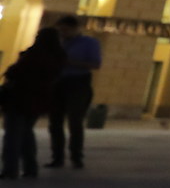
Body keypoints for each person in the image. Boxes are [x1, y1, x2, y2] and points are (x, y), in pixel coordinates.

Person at [1, 28, 63, 179]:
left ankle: (10, 169)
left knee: (13, 135)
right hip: (39, 100)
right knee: (26, 133)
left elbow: (15, 72)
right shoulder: (59, 56)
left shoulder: (34, 54)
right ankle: (30, 167)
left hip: (21, 98)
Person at [47, 15, 99, 169]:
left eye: (66, 30)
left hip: (78, 83)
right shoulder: (57, 43)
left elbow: (95, 64)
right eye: (60, 30)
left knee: (75, 122)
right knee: (54, 122)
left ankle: (76, 157)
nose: (63, 33)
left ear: (76, 28)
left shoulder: (89, 43)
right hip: (57, 83)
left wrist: (70, 63)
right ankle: (57, 157)